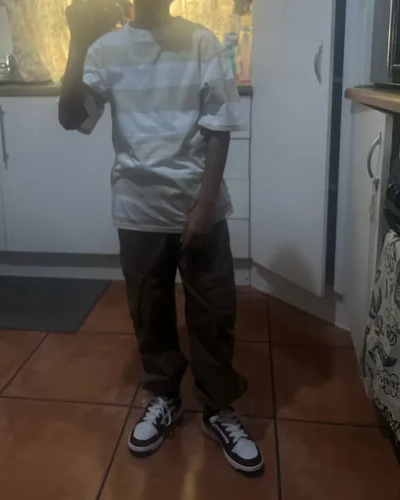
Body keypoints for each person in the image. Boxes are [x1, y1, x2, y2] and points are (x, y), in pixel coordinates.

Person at [59, 0, 263, 475]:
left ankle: (217, 408)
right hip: (138, 209)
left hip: (198, 206)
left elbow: (219, 127)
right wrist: (78, 39)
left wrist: (206, 206)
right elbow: (73, 119)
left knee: (214, 312)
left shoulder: (202, 43)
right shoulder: (105, 50)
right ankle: (165, 397)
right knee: (149, 312)